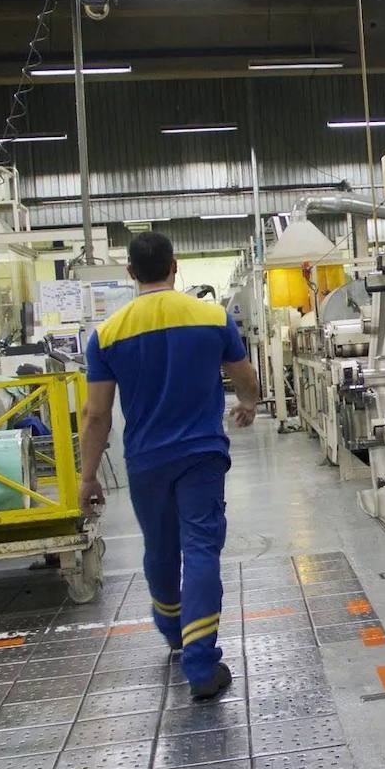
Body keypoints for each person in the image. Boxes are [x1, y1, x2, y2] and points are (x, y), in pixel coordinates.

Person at [78, 232, 259, 702]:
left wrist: (87, 474)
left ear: (130, 274)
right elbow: (244, 375)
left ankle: (173, 630)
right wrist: (248, 402)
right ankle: (201, 665)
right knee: (200, 548)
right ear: (175, 266)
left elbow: (96, 415)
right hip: (201, 456)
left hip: (145, 461)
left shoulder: (107, 334)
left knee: (160, 550)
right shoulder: (211, 316)